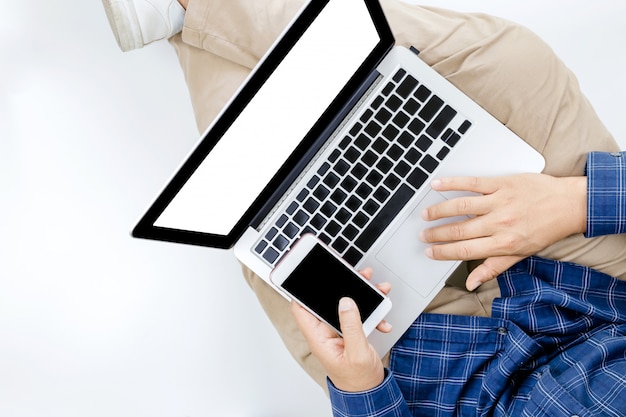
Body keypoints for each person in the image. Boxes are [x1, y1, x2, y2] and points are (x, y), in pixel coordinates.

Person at [102, 0, 626, 414]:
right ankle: (191, 8)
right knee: (514, 63)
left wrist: (361, 388)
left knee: (268, 202)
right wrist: (577, 202)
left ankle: (187, 12)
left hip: (435, 375)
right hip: (598, 279)